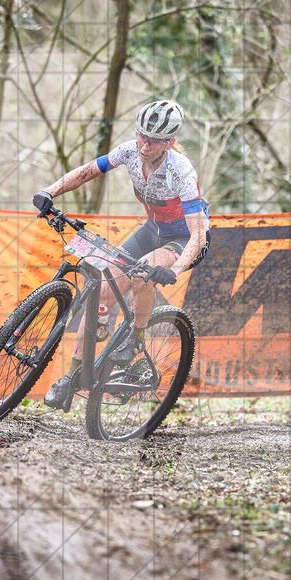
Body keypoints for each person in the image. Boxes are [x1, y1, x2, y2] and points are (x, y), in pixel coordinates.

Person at [33, 99, 210, 410]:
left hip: (184, 238)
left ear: (169, 142)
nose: (144, 145)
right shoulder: (130, 149)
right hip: (152, 230)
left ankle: (136, 337)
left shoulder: (180, 170)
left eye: (154, 141)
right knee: (99, 292)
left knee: (142, 273)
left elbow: (198, 234)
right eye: (141, 135)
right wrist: (50, 191)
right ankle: (71, 379)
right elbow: (89, 171)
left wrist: (176, 269)